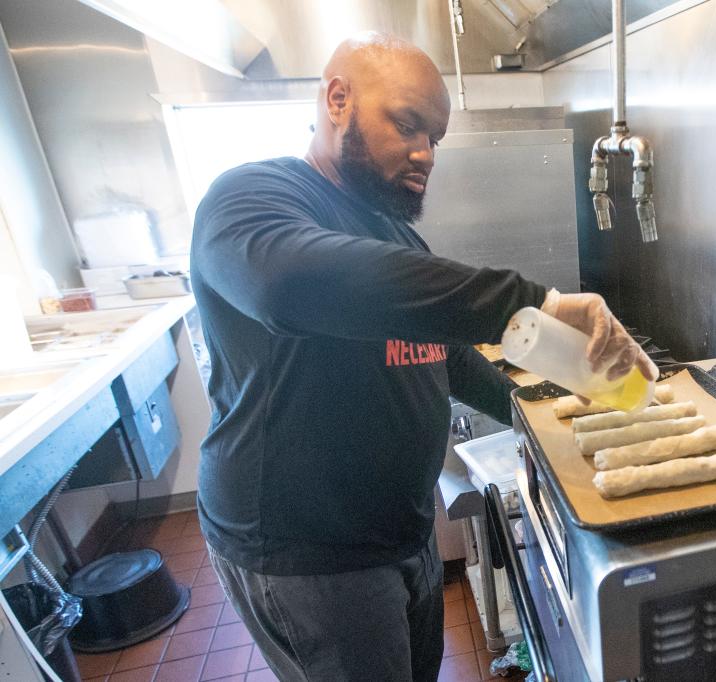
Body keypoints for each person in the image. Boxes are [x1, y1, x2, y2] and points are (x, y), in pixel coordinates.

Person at [190, 32, 657, 682]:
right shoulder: (251, 199)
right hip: (307, 548)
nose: (424, 153)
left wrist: (546, 414)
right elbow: (287, 285)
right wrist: (535, 302)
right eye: (407, 124)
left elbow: (447, 357)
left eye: (434, 137)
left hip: (399, 529)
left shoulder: (394, 232)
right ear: (337, 99)